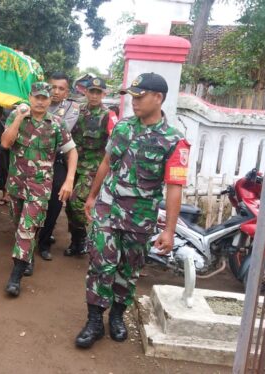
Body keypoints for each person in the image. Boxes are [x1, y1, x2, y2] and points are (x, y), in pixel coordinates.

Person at [74, 73, 190, 349]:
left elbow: (175, 187)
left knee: (128, 270)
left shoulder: (174, 140)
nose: (134, 102)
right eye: (133, 97)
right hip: (107, 207)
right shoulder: (123, 127)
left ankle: (116, 316)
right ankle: (93, 320)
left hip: (140, 217)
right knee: (101, 263)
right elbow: (106, 162)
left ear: (158, 98)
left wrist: (169, 230)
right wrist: (92, 196)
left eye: (140, 97)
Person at [1, 82, 78, 297]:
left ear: (50, 99)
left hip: (40, 185)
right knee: (19, 224)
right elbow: (6, 143)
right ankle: (28, 254)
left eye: (45, 97)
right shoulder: (17, 118)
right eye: (37, 97)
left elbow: (72, 152)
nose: (41, 101)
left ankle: (15, 277)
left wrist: (69, 179)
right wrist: (18, 117)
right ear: (30, 97)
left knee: (27, 226)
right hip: (16, 183)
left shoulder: (56, 124)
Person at [63, 77, 117, 258]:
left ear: (104, 94)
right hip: (73, 163)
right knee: (69, 205)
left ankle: (85, 236)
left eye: (98, 92)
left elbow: (116, 140)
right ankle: (76, 241)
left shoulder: (108, 115)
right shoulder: (76, 110)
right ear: (85, 92)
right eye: (91, 91)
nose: (94, 96)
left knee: (76, 202)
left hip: (93, 167)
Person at [36, 72, 81, 261]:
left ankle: (44, 242)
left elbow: (59, 131)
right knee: (32, 202)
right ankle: (29, 237)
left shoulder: (72, 107)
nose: (55, 91)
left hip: (57, 160)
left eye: (61, 88)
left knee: (54, 203)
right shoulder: (36, 102)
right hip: (34, 160)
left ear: (66, 92)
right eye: (52, 87)